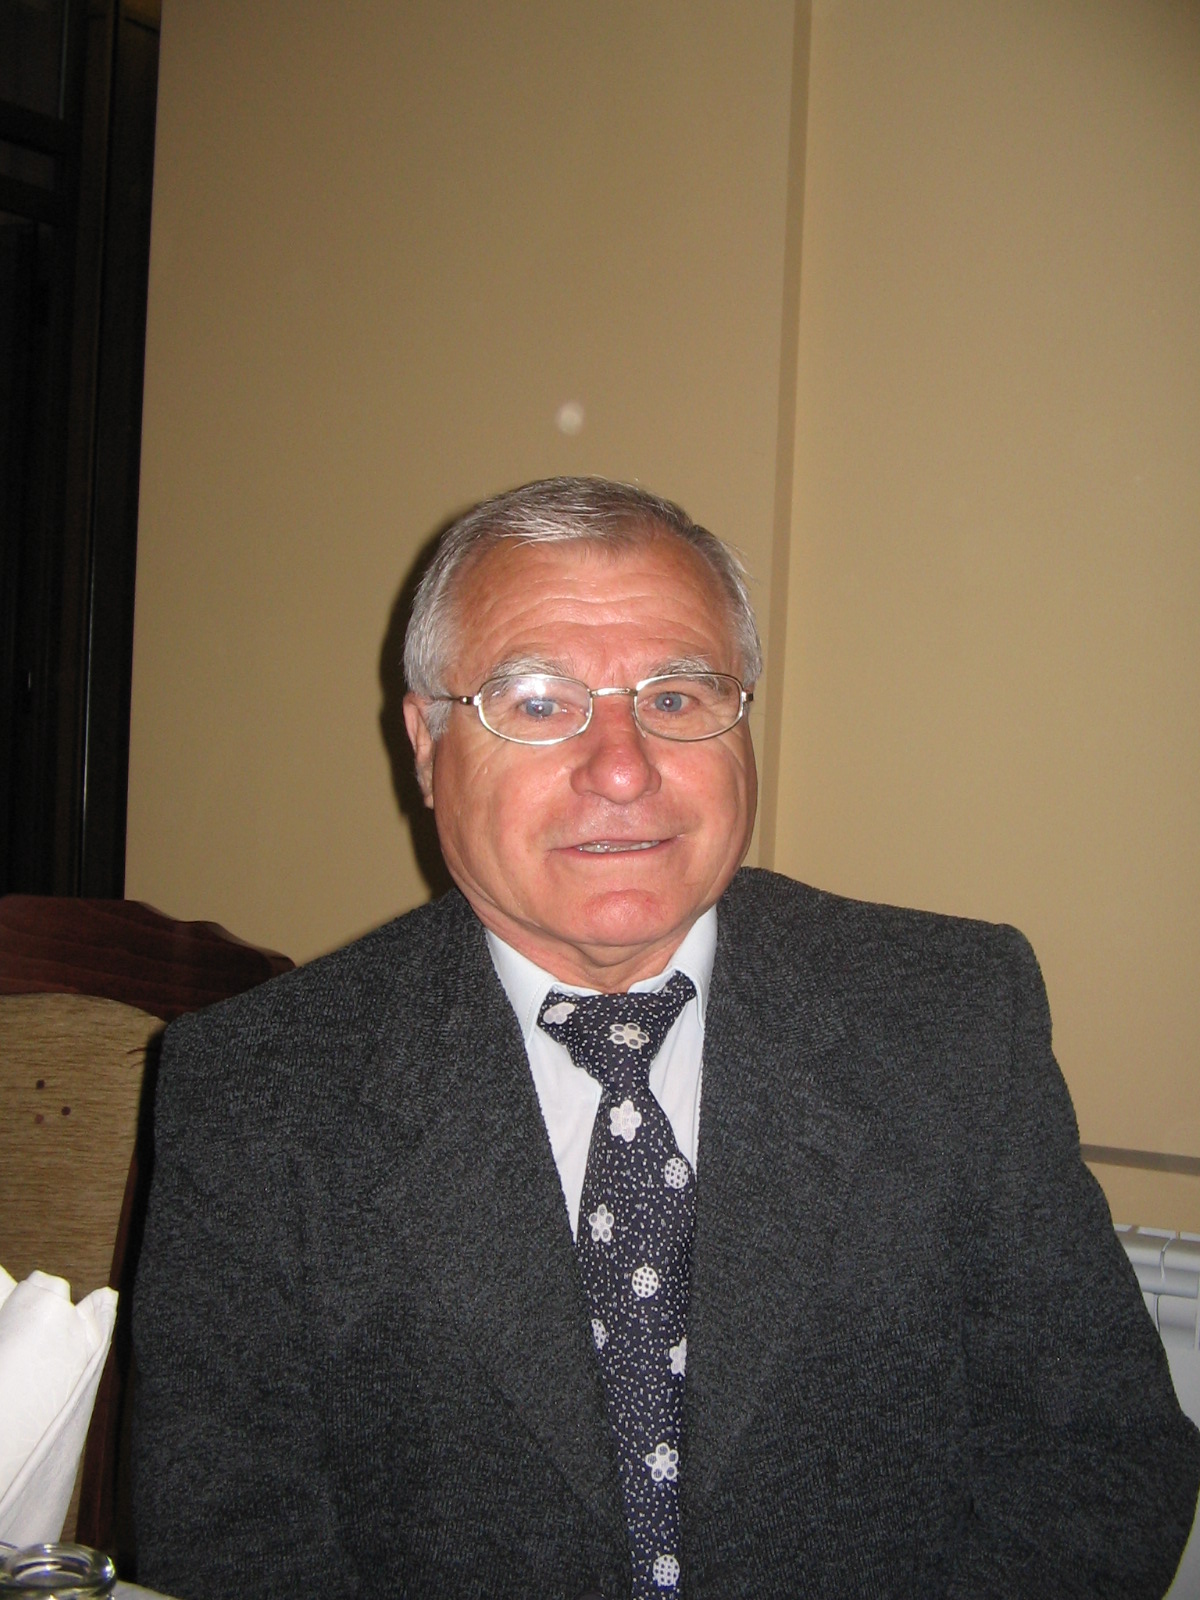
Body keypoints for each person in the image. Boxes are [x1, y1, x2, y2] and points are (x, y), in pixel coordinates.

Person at [133, 476, 1199, 1600]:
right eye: (537, 702)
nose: (622, 767)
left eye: (679, 696)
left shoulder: (952, 1016)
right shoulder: (256, 1090)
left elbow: (1100, 1453)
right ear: (427, 746)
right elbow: (233, 1542)